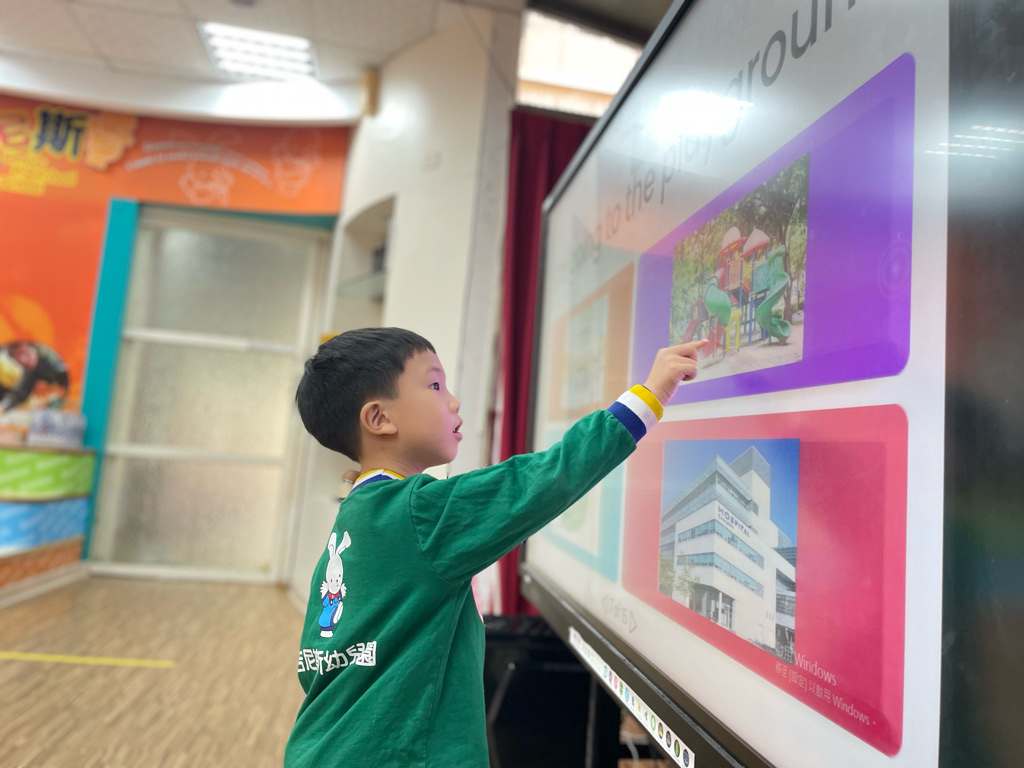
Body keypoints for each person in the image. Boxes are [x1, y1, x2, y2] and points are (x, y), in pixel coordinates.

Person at [285, 327, 707, 768]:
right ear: (379, 419)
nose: (454, 401)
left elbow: (316, 659)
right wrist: (648, 397)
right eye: (434, 386)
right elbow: (544, 477)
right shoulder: (419, 512)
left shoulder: (355, 517)